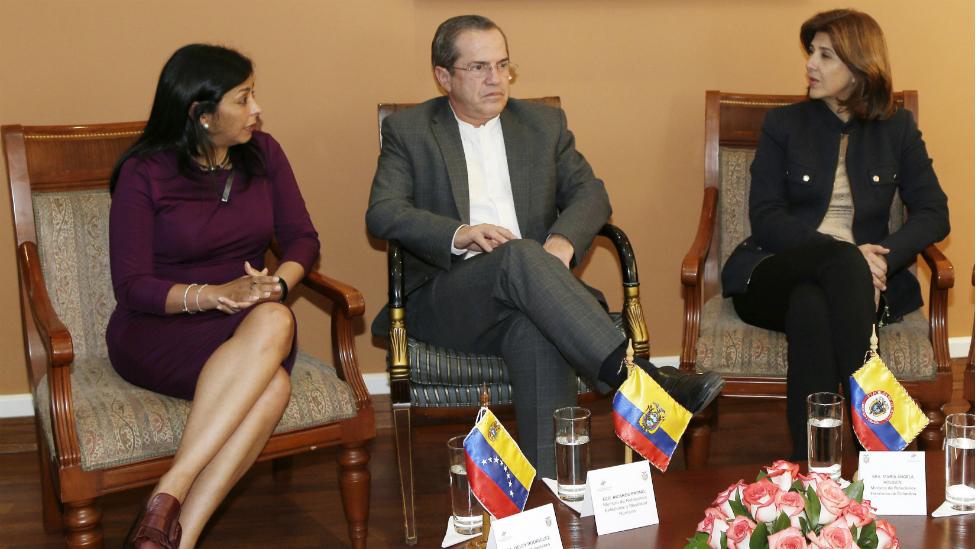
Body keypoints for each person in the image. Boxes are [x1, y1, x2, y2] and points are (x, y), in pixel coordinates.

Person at [366, 14, 724, 477]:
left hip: (535, 293)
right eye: (478, 68)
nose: (496, 78)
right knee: (516, 255)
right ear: (443, 77)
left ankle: (552, 496)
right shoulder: (410, 131)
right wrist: (460, 234)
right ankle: (641, 380)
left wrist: (560, 242)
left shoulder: (541, 124)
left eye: (503, 64)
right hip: (449, 299)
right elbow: (384, 211)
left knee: (537, 331)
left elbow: (591, 193)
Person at [107, 44, 319, 548]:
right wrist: (212, 295)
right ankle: (174, 504)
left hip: (247, 327)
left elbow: (303, 240)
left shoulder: (265, 154)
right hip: (159, 326)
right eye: (243, 100)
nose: (257, 110)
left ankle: (166, 524)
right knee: (272, 387)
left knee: (274, 318)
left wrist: (277, 284)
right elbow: (132, 285)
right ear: (201, 115)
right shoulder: (145, 173)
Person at [721, 9, 949, 460]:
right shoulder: (784, 124)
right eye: (812, 52)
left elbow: (934, 213)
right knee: (839, 265)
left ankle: (814, 471)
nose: (810, 64)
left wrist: (882, 257)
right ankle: (886, 445)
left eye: (826, 56)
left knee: (811, 306)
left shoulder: (897, 128)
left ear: (859, 67)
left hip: (852, 287)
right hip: (773, 273)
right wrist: (848, 255)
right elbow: (765, 217)